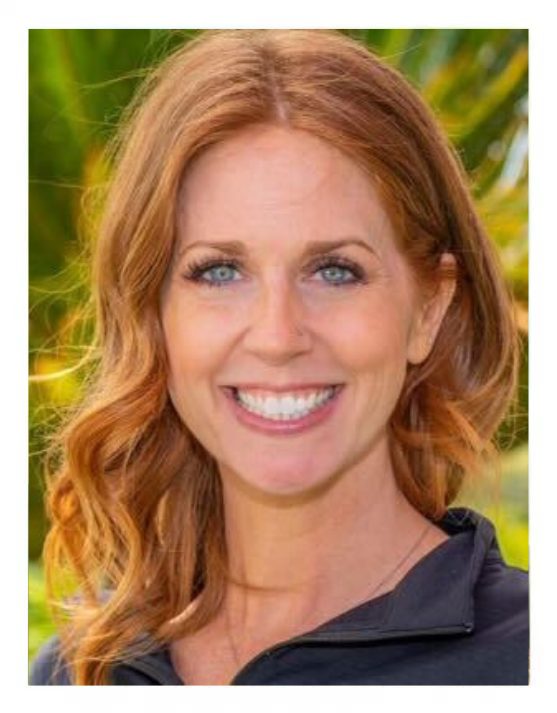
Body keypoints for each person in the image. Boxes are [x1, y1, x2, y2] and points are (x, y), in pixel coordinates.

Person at [29, 29, 528, 686]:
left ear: (428, 308)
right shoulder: (81, 670)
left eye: (335, 270)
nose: (276, 334)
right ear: (152, 312)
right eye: (218, 271)